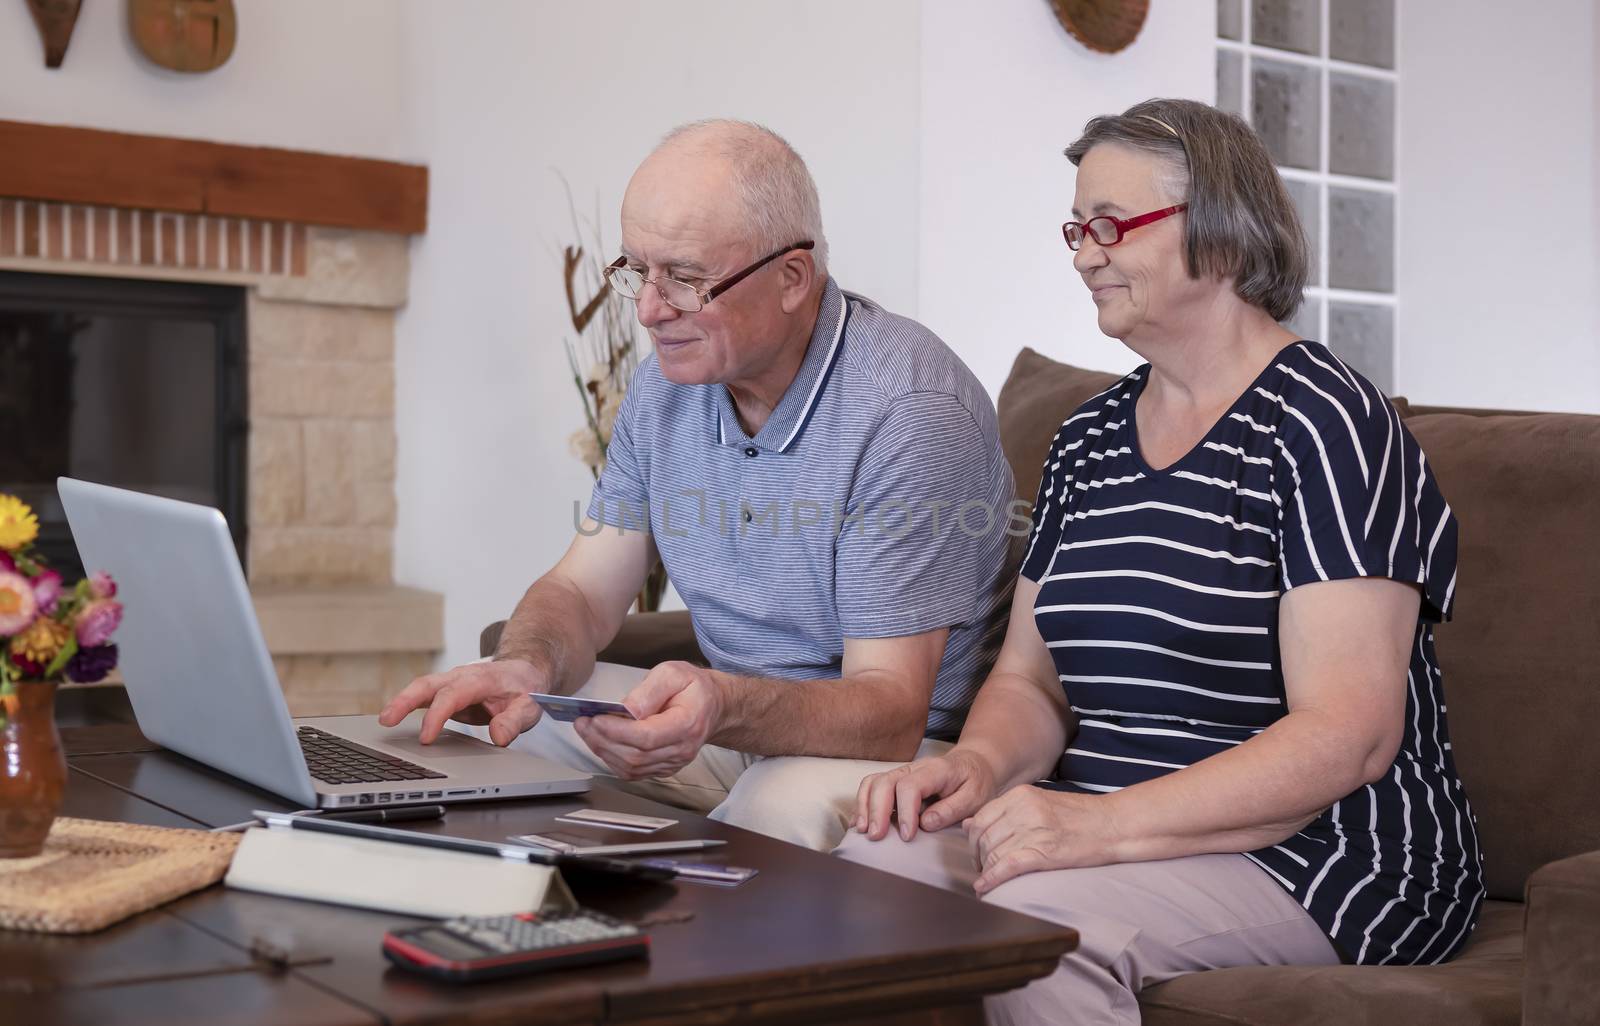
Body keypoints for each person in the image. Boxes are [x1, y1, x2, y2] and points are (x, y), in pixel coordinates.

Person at [837, 98, 1485, 1025]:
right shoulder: (1088, 438)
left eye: (1109, 225)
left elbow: (1351, 733)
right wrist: (977, 768)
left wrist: (1097, 827)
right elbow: (1032, 680)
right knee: (868, 869)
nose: (1082, 252)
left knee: (1031, 931)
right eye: (1076, 226)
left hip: (1326, 857)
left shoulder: (1325, 424)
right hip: (1113, 823)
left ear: (1219, 237)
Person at [379, 119, 1015, 851]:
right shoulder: (669, 385)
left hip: (902, 756)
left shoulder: (906, 412)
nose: (650, 311)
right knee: (496, 729)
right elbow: (582, 592)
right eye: (637, 272)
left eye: (684, 278)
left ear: (792, 278)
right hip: (737, 729)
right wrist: (527, 662)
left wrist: (719, 705)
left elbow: (889, 709)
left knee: (778, 802)